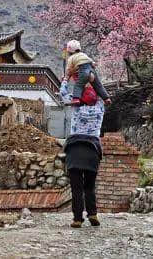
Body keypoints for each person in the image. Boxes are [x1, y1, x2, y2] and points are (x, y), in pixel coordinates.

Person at [59, 74, 105, 228]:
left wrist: (66, 78)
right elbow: (101, 92)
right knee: (89, 187)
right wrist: (92, 79)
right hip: (92, 151)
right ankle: (92, 213)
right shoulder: (100, 108)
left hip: (75, 150)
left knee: (76, 188)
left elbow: (63, 93)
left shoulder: (76, 106)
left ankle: (77, 218)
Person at [65, 40, 111, 106]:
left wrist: (66, 78)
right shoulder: (83, 54)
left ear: (69, 50)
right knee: (98, 85)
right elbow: (92, 63)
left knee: (79, 85)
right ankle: (106, 98)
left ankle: (76, 99)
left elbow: (68, 69)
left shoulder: (71, 58)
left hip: (83, 71)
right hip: (91, 70)